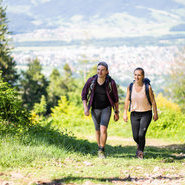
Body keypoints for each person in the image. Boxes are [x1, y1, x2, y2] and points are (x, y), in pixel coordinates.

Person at [81, 61, 119, 158]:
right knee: (97, 130)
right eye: (98, 70)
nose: (100, 72)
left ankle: (102, 149)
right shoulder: (91, 81)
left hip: (106, 108)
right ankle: (99, 148)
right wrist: (86, 108)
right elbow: (84, 94)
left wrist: (116, 112)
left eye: (102, 70)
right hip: (94, 109)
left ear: (107, 71)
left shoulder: (111, 82)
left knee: (103, 129)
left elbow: (115, 98)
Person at [123, 67, 158, 159]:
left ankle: (140, 152)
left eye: (139, 75)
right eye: (135, 75)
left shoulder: (147, 87)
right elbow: (127, 100)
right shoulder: (130, 87)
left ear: (143, 76)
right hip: (134, 113)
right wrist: (124, 113)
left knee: (141, 134)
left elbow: (153, 101)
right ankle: (140, 145)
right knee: (135, 136)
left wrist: (155, 113)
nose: (137, 77)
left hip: (146, 113)